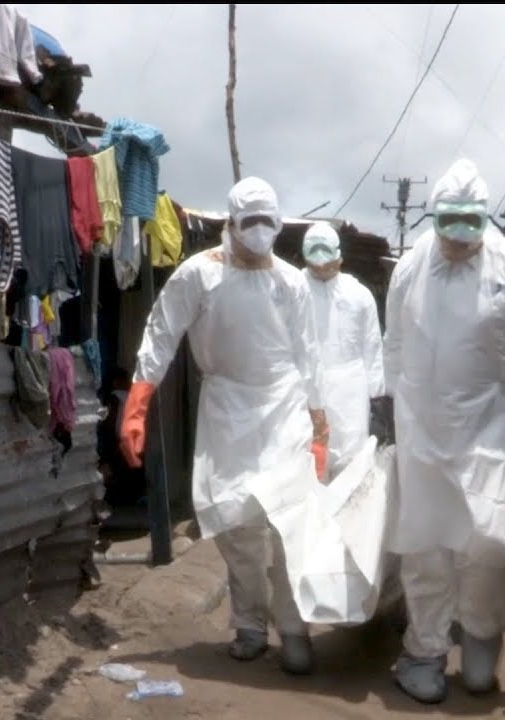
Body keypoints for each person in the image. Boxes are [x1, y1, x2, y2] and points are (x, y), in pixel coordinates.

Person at [119, 177, 329, 676]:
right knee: (236, 525)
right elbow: (161, 332)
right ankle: (251, 626)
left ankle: (295, 629)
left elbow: (309, 356)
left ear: (279, 226)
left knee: (288, 525)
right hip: (228, 407)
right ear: (230, 224)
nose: (259, 233)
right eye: (249, 223)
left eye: (268, 223)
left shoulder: (291, 281)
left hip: (284, 408)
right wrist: (137, 403)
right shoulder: (200, 275)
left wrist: (319, 428)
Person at [382, 158, 505, 704]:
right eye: (449, 224)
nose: (459, 237)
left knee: (486, 542)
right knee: (424, 547)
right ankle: (423, 649)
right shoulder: (410, 267)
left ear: (484, 220)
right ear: (434, 218)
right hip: (419, 425)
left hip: (488, 423)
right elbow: (394, 342)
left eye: (471, 224)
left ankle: (482, 631)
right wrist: (387, 405)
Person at [301, 221, 386, 477]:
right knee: (309, 457)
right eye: (315, 264)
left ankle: (347, 514)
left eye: (327, 263)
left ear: (339, 258)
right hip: (307, 385)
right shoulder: (294, 288)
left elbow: (372, 345)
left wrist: (377, 396)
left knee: (351, 458)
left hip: (351, 388)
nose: (321, 269)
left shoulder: (358, 294)